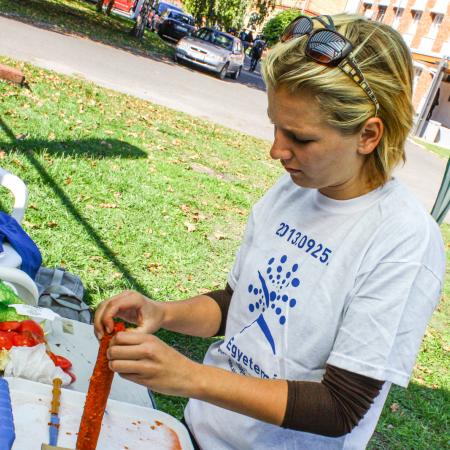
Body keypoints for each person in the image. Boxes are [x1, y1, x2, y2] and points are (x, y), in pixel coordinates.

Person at [94, 14, 446, 450]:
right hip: (198, 433)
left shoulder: (403, 239)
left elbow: (340, 407)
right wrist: (164, 313)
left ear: (368, 135)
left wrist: (190, 377)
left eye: (300, 138)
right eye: (276, 127)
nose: (277, 150)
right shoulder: (292, 191)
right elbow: (236, 305)